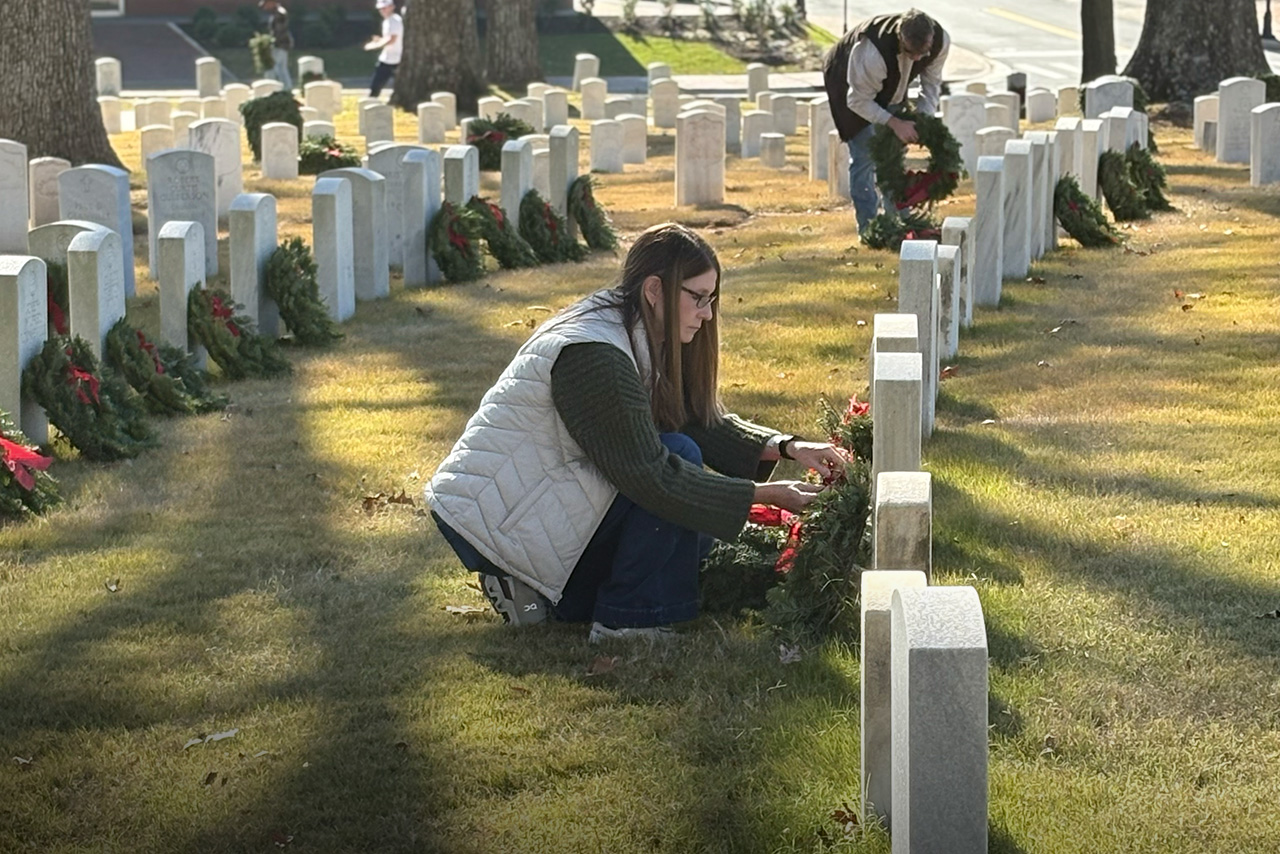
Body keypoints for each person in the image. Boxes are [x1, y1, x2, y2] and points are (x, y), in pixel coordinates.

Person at [426, 223, 845, 643]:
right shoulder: (595, 356)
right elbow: (651, 475)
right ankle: (623, 620)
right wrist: (770, 496)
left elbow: (685, 416)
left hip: (532, 502)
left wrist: (788, 446)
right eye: (698, 298)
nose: (708, 313)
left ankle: (549, 596)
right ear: (654, 290)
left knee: (690, 540)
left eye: (711, 298)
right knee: (678, 466)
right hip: (498, 519)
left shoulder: (633, 328)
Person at [822, 9, 950, 236]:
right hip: (848, 85)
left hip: (891, 87)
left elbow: (930, 85)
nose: (919, 59)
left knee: (892, 154)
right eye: (912, 53)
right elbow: (858, 100)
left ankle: (900, 219)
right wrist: (894, 122)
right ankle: (870, 228)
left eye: (924, 52)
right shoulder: (872, 52)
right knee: (864, 155)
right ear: (901, 39)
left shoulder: (939, 42)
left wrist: (923, 119)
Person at [364, 0, 403, 99]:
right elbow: (389, 38)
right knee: (377, 84)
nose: (382, 11)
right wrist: (379, 40)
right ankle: (372, 100)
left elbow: (392, 40)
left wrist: (375, 46)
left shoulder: (394, 21)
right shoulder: (388, 21)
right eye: (381, 8)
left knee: (379, 84)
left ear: (392, 7)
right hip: (387, 58)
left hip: (395, 60)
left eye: (385, 8)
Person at [259, 0, 294, 91]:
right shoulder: (278, 12)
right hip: (283, 44)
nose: (265, 7)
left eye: (266, 4)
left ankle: (270, 88)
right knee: (282, 68)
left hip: (279, 44)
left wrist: (271, 42)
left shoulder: (279, 14)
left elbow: (279, 31)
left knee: (272, 67)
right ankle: (287, 88)